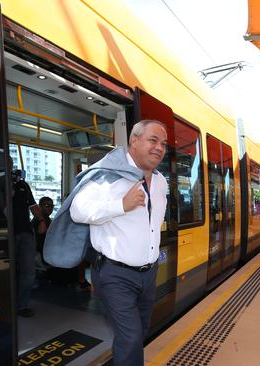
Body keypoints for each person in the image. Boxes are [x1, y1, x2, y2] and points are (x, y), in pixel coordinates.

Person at [70, 119, 168, 365]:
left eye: (163, 144)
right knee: (131, 336)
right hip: (115, 274)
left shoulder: (161, 182)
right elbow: (78, 210)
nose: (159, 147)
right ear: (134, 141)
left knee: (138, 332)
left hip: (149, 273)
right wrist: (120, 205)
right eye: (153, 140)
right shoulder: (107, 175)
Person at [12, 166, 46, 318]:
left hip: (25, 232)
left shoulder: (23, 186)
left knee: (28, 271)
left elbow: (33, 206)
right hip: (7, 234)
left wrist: (41, 220)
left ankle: (22, 305)